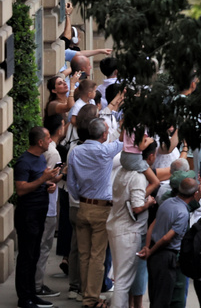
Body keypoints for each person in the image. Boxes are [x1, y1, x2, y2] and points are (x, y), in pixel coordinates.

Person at [68, 118, 144, 308]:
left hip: (83, 206)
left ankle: (86, 294)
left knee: (84, 255)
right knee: (97, 257)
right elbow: (126, 143)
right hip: (101, 208)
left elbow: (71, 183)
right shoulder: (106, 150)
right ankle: (91, 298)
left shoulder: (75, 151)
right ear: (103, 135)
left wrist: (81, 198)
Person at [138, 177, 201, 308]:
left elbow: (152, 225)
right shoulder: (183, 213)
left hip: (155, 256)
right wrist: (150, 251)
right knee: (163, 300)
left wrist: (147, 246)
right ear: (194, 193)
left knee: (155, 296)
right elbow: (167, 238)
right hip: (166, 257)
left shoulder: (167, 203)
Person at [106, 143, 157, 308]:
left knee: (121, 276)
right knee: (123, 279)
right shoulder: (137, 177)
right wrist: (148, 203)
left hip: (117, 226)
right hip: (128, 231)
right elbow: (136, 207)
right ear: (149, 157)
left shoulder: (122, 172)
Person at [15, 126, 59, 308]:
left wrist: (50, 184)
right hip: (28, 215)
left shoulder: (41, 157)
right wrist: (42, 180)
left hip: (40, 212)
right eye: (48, 138)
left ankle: (32, 293)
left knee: (35, 255)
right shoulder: (24, 162)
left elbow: (39, 182)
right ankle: (24, 298)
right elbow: (21, 188)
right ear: (40, 142)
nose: (50, 141)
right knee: (26, 256)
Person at [34, 114, 68, 300]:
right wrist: (62, 172)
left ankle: (36, 283)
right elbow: (51, 177)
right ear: (60, 128)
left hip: (44, 205)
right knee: (43, 247)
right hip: (47, 207)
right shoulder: (53, 152)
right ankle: (37, 285)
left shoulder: (48, 150)